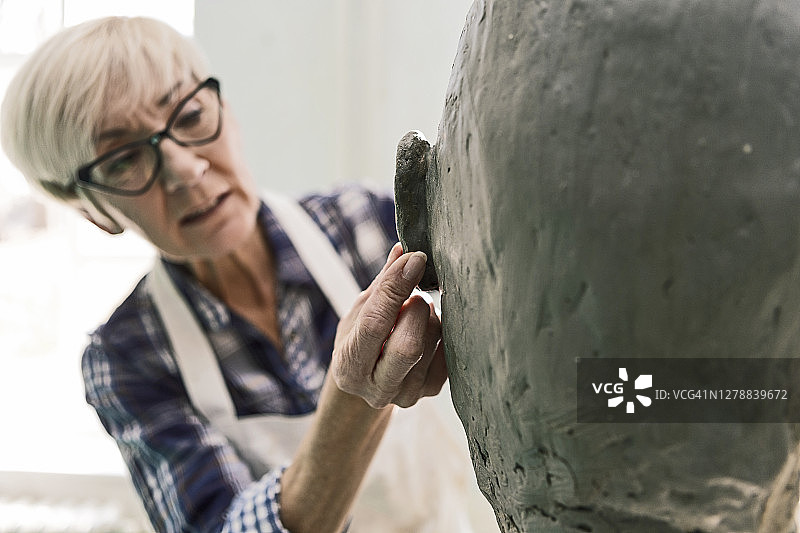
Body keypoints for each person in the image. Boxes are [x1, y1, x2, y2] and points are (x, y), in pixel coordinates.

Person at [1, 16, 479, 533]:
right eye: (123, 160)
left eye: (188, 115)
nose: (185, 170)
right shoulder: (128, 357)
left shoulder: (364, 223)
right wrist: (352, 399)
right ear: (95, 212)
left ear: (225, 110)